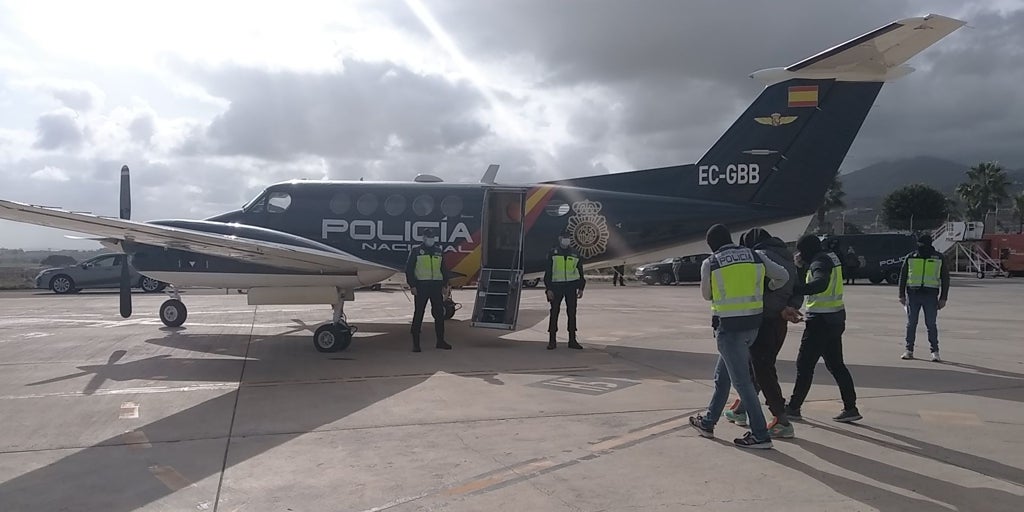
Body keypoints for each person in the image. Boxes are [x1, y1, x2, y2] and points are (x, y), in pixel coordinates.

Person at [688, 224, 789, 449]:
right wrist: (766, 287)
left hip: (729, 329)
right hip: (753, 327)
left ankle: (760, 435)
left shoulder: (711, 262)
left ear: (711, 245)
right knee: (722, 377)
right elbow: (782, 276)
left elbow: (706, 295)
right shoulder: (755, 256)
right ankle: (708, 422)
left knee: (742, 383)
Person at [724, 228, 804, 439]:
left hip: (764, 321)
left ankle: (781, 419)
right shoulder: (788, 259)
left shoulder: (760, 257)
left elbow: (759, 289)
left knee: (763, 370)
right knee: (758, 367)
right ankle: (741, 409)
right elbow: (797, 289)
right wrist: (790, 307)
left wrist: (776, 309)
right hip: (780, 322)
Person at [785, 234, 861, 423]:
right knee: (836, 365)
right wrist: (801, 268)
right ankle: (851, 407)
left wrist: (795, 289)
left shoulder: (819, 262)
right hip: (835, 318)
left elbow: (820, 283)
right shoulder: (830, 256)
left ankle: (793, 407)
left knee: (804, 365)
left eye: (801, 251)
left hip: (820, 321)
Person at [898, 233, 951, 362]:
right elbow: (903, 276)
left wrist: (944, 298)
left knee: (931, 324)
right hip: (913, 294)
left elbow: (945, 278)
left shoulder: (939, 258)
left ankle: (935, 351)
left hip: (931, 296)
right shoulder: (911, 257)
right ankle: (909, 350)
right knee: (911, 324)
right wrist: (901, 295)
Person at [404, 228, 453, 352]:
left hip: (436, 287)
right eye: (428, 237)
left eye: (432, 237)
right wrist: (412, 285)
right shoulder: (416, 251)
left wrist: (445, 284)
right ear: (424, 238)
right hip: (421, 286)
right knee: (419, 313)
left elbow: (443, 269)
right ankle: (416, 344)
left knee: (439, 315)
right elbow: (409, 269)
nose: (431, 239)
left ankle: (440, 341)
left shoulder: (438, 251)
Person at [544, 231, 586, 350]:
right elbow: (548, 272)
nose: (566, 240)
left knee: (572, 313)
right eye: (564, 238)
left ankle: (572, 340)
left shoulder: (575, 253)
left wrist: (581, 287)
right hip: (556, 287)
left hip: (571, 287)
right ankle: (552, 340)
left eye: (568, 238)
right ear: (559, 238)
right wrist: (548, 289)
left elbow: (580, 271)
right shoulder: (553, 253)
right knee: (554, 313)